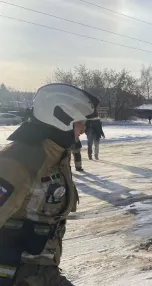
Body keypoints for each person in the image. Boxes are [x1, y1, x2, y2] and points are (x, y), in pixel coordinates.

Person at [0, 83, 99, 286]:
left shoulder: (56, 157)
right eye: (80, 122)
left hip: (41, 275)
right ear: (62, 119)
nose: (84, 128)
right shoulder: (19, 161)